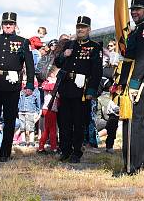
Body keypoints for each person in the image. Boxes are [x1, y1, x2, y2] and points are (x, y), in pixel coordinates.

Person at [0, 12, 35, 162]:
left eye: (10, 24)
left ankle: (5, 153)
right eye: (5, 23)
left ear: (15, 25)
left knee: (10, 120)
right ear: (2, 24)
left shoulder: (23, 42)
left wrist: (30, 84)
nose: (8, 26)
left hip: (12, 86)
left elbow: (29, 65)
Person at [54, 16, 102, 163]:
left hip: (82, 90)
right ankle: (65, 150)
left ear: (89, 29)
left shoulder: (94, 46)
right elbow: (57, 62)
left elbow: (97, 71)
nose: (80, 29)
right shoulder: (69, 44)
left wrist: (91, 91)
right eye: (78, 27)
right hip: (66, 87)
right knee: (64, 122)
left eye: (83, 27)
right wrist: (64, 55)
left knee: (79, 122)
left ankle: (76, 152)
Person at [119, 0, 144, 175]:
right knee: (131, 121)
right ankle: (134, 162)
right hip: (131, 79)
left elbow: (143, 58)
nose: (134, 12)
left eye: (138, 10)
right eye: (132, 9)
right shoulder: (137, 30)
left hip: (139, 81)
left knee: (135, 122)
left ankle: (135, 165)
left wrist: (134, 84)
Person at [38, 66, 60, 153]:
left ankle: (41, 146)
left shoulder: (48, 83)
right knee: (52, 129)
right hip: (49, 108)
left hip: (50, 108)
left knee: (47, 129)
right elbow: (49, 87)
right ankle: (53, 147)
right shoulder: (48, 83)